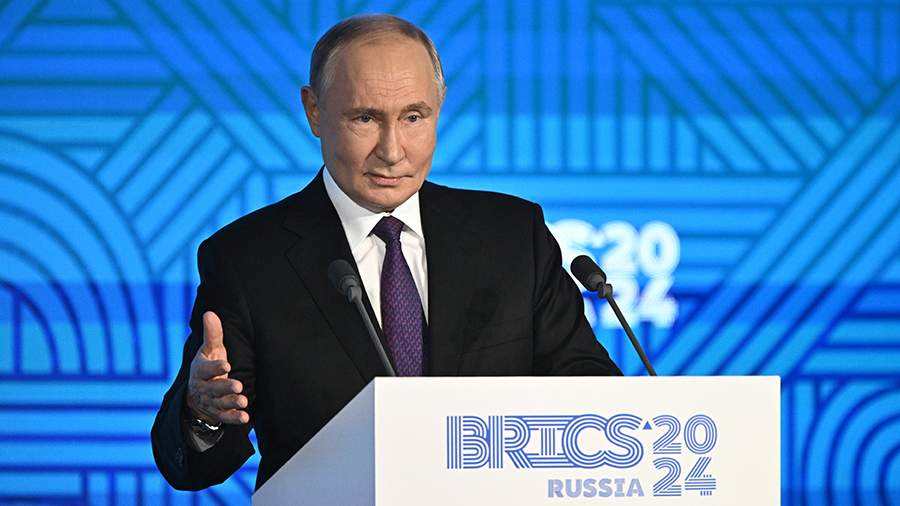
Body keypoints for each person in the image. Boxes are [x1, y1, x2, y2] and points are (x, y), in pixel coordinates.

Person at [151, 13, 621, 492]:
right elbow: (193, 466)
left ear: (439, 107)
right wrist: (202, 412)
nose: (393, 151)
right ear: (314, 111)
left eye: (413, 117)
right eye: (365, 118)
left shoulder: (512, 235)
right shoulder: (247, 259)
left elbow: (589, 389)